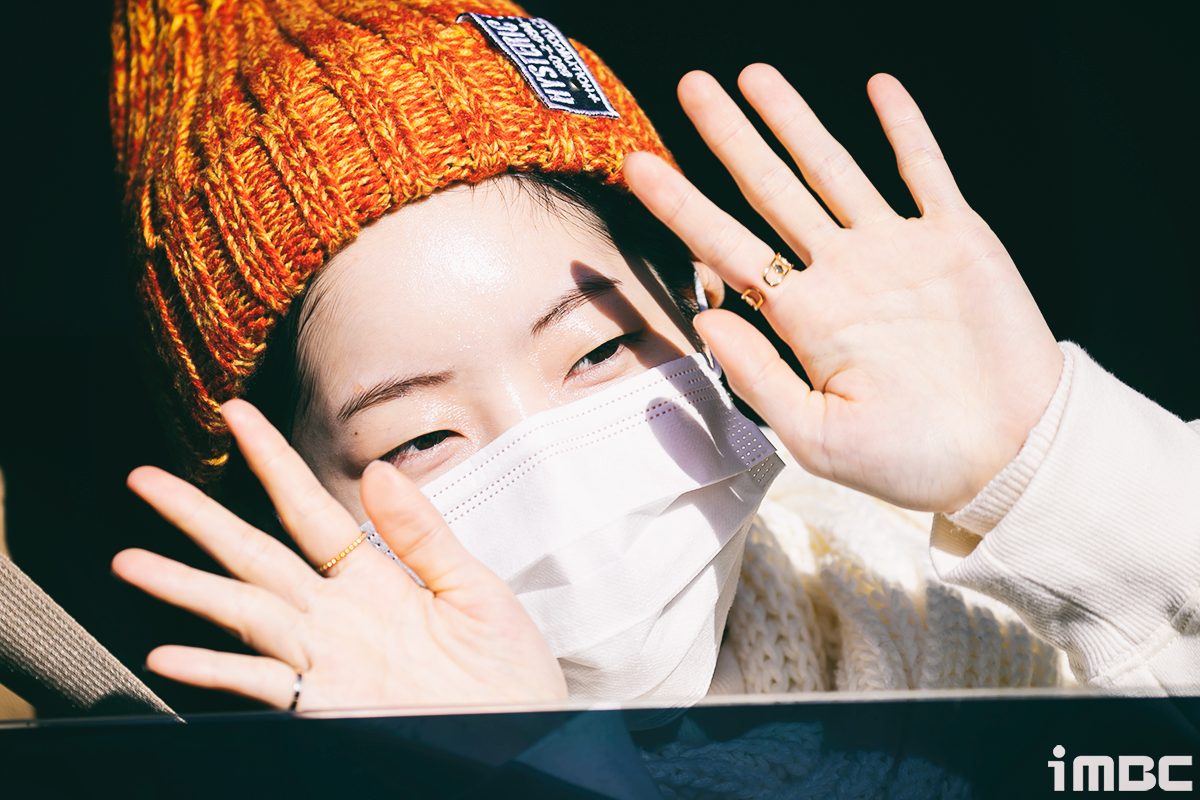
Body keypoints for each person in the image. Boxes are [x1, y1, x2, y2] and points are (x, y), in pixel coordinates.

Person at [104, 0, 1198, 714]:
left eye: (596, 351)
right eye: (420, 437)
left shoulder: (945, 607)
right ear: (284, 502)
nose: (555, 472)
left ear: (694, 301)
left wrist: (1052, 465)